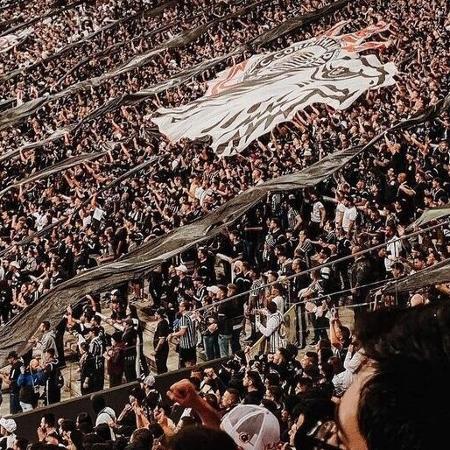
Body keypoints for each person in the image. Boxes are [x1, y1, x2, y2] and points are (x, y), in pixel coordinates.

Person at [169, 301, 197, 368]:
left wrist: (172, 334)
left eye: (180, 306)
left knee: (184, 365)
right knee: (193, 362)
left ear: (184, 308)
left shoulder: (184, 318)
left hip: (185, 346)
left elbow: (182, 332)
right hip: (193, 343)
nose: (178, 307)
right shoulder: (191, 314)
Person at [152, 307, 170, 374]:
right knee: (160, 367)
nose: (154, 314)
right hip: (161, 350)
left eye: (156, 313)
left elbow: (162, 340)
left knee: (161, 367)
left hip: (161, 350)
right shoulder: (161, 322)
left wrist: (156, 350)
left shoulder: (162, 324)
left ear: (159, 315)